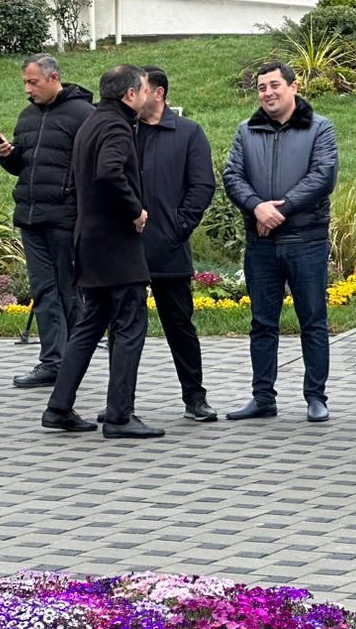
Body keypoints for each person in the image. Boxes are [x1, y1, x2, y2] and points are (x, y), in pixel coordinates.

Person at [42, 65, 159, 439]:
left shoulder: (92, 122)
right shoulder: (115, 126)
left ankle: (58, 407)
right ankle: (120, 416)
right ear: (129, 95)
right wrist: (135, 211)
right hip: (115, 245)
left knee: (90, 324)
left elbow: (76, 180)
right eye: (143, 89)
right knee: (129, 325)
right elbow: (110, 172)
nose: (148, 95)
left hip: (89, 241)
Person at [223, 60, 338, 422]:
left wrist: (280, 210)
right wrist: (257, 208)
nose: (268, 93)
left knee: (313, 320)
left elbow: (323, 176)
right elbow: (232, 175)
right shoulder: (246, 131)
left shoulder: (320, 128)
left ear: (293, 86)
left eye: (275, 85)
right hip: (261, 243)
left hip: (306, 239)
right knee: (262, 322)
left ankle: (316, 397)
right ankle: (263, 397)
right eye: (262, 88)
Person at [0, 54, 94, 389]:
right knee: (43, 290)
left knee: (68, 292)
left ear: (53, 78)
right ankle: (52, 362)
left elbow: (94, 167)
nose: (27, 88)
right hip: (31, 217)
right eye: (25, 82)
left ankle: (74, 361)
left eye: (32, 82)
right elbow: (25, 165)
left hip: (66, 217)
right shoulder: (28, 115)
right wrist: (8, 154)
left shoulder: (83, 114)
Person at [134, 67, 218, 423]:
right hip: (126, 249)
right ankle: (121, 401)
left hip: (169, 248)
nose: (133, 96)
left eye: (140, 90)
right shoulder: (125, 131)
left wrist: (177, 228)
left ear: (159, 93)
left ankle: (195, 398)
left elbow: (202, 186)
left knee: (180, 324)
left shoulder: (188, 132)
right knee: (124, 327)